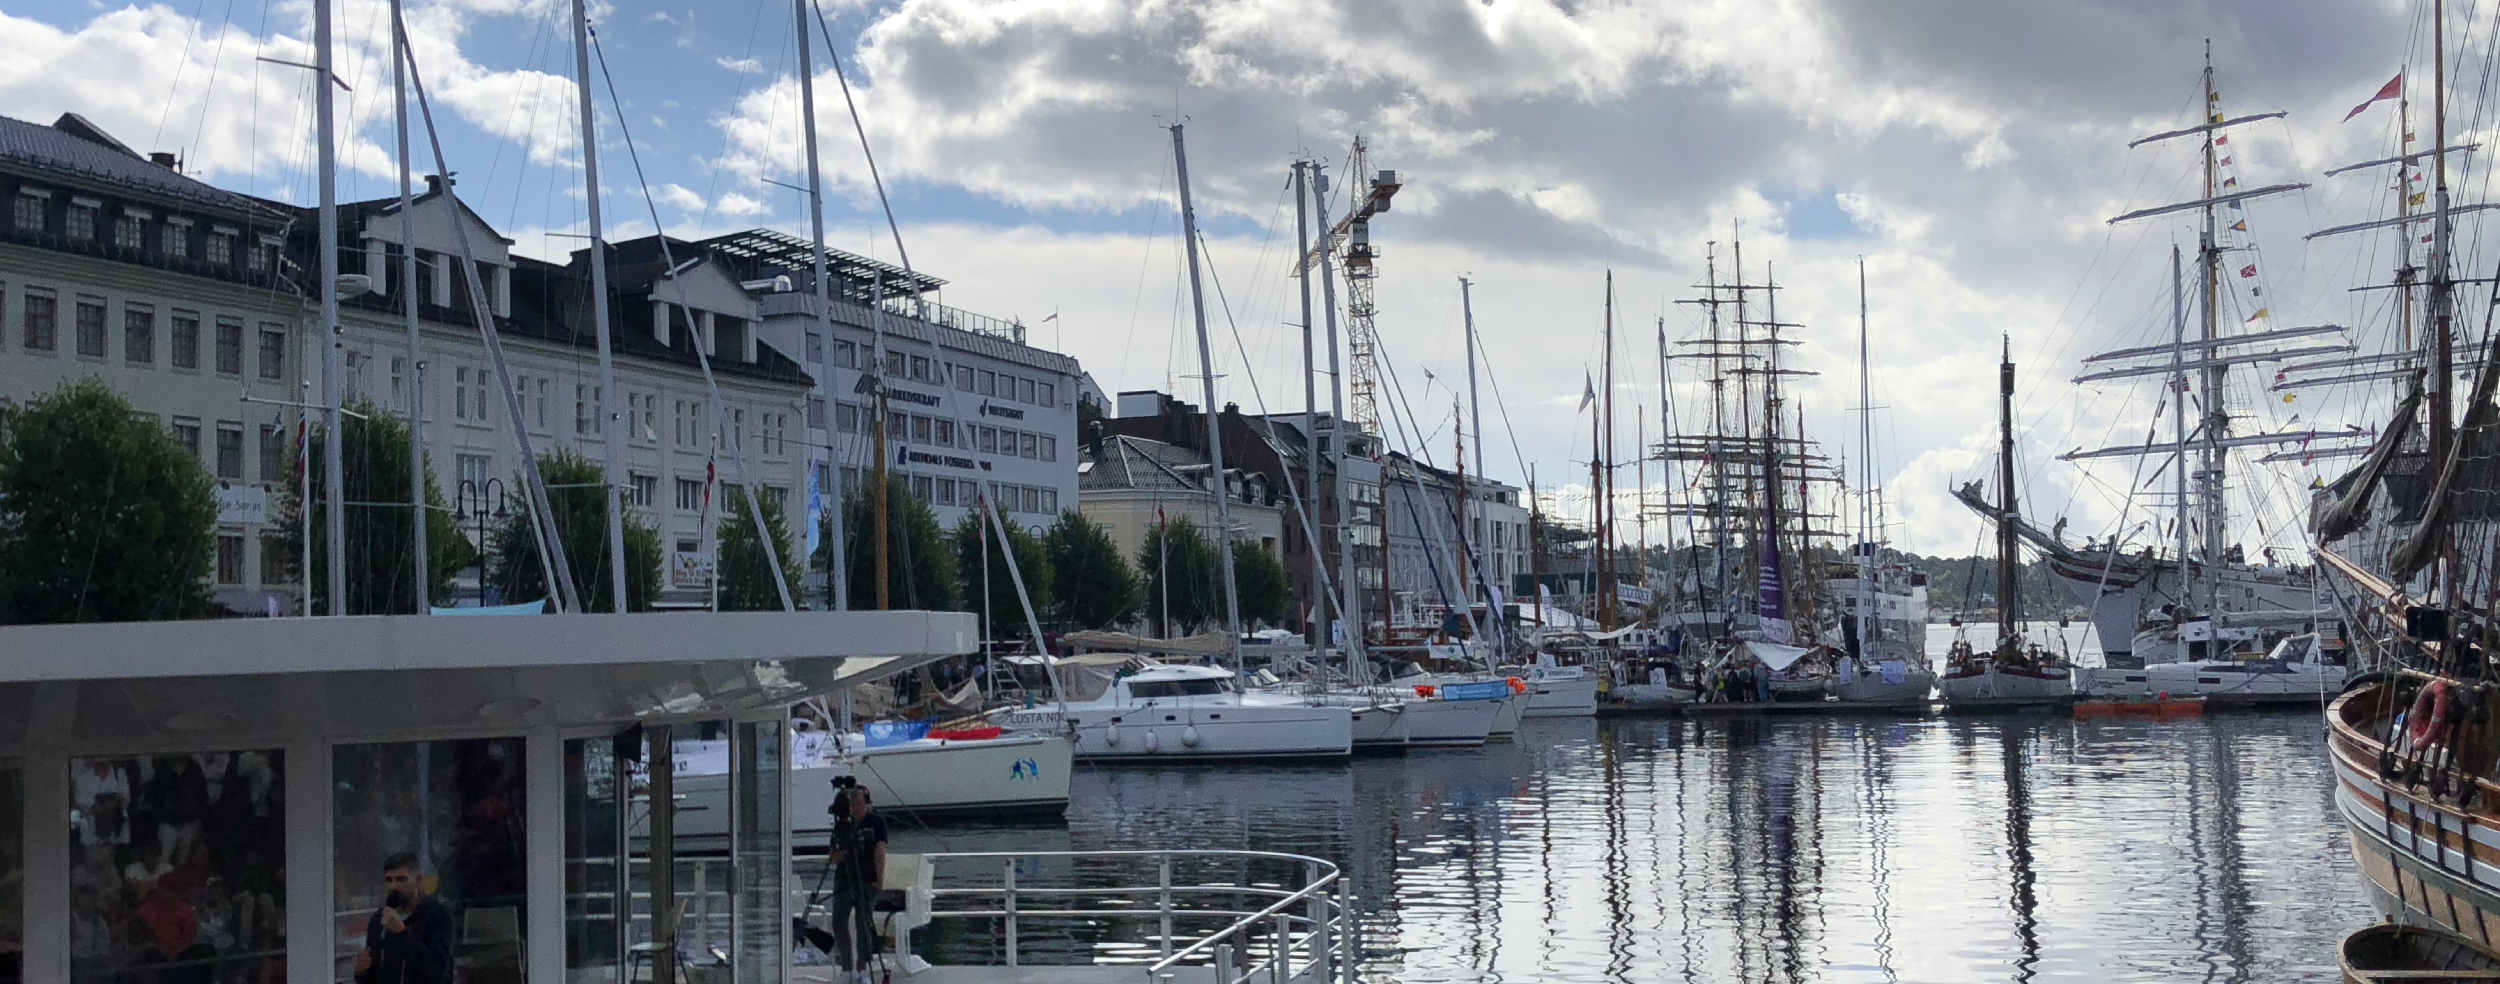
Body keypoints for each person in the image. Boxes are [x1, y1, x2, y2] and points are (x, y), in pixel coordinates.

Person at [352, 853, 452, 984]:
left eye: (401, 879)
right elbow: (373, 975)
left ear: (418, 880)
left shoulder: (436, 914)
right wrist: (361, 972)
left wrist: (402, 933)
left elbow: (437, 971)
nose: (394, 886)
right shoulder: (379, 919)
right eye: (389, 880)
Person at [825, 780, 889, 984]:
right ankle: (846, 968)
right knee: (839, 923)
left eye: (859, 804)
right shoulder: (842, 826)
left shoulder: (876, 823)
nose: (855, 809)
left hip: (867, 880)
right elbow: (833, 857)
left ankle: (862, 969)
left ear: (866, 804)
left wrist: (880, 879)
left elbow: (879, 851)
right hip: (844, 881)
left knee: (864, 927)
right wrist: (845, 852)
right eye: (852, 805)